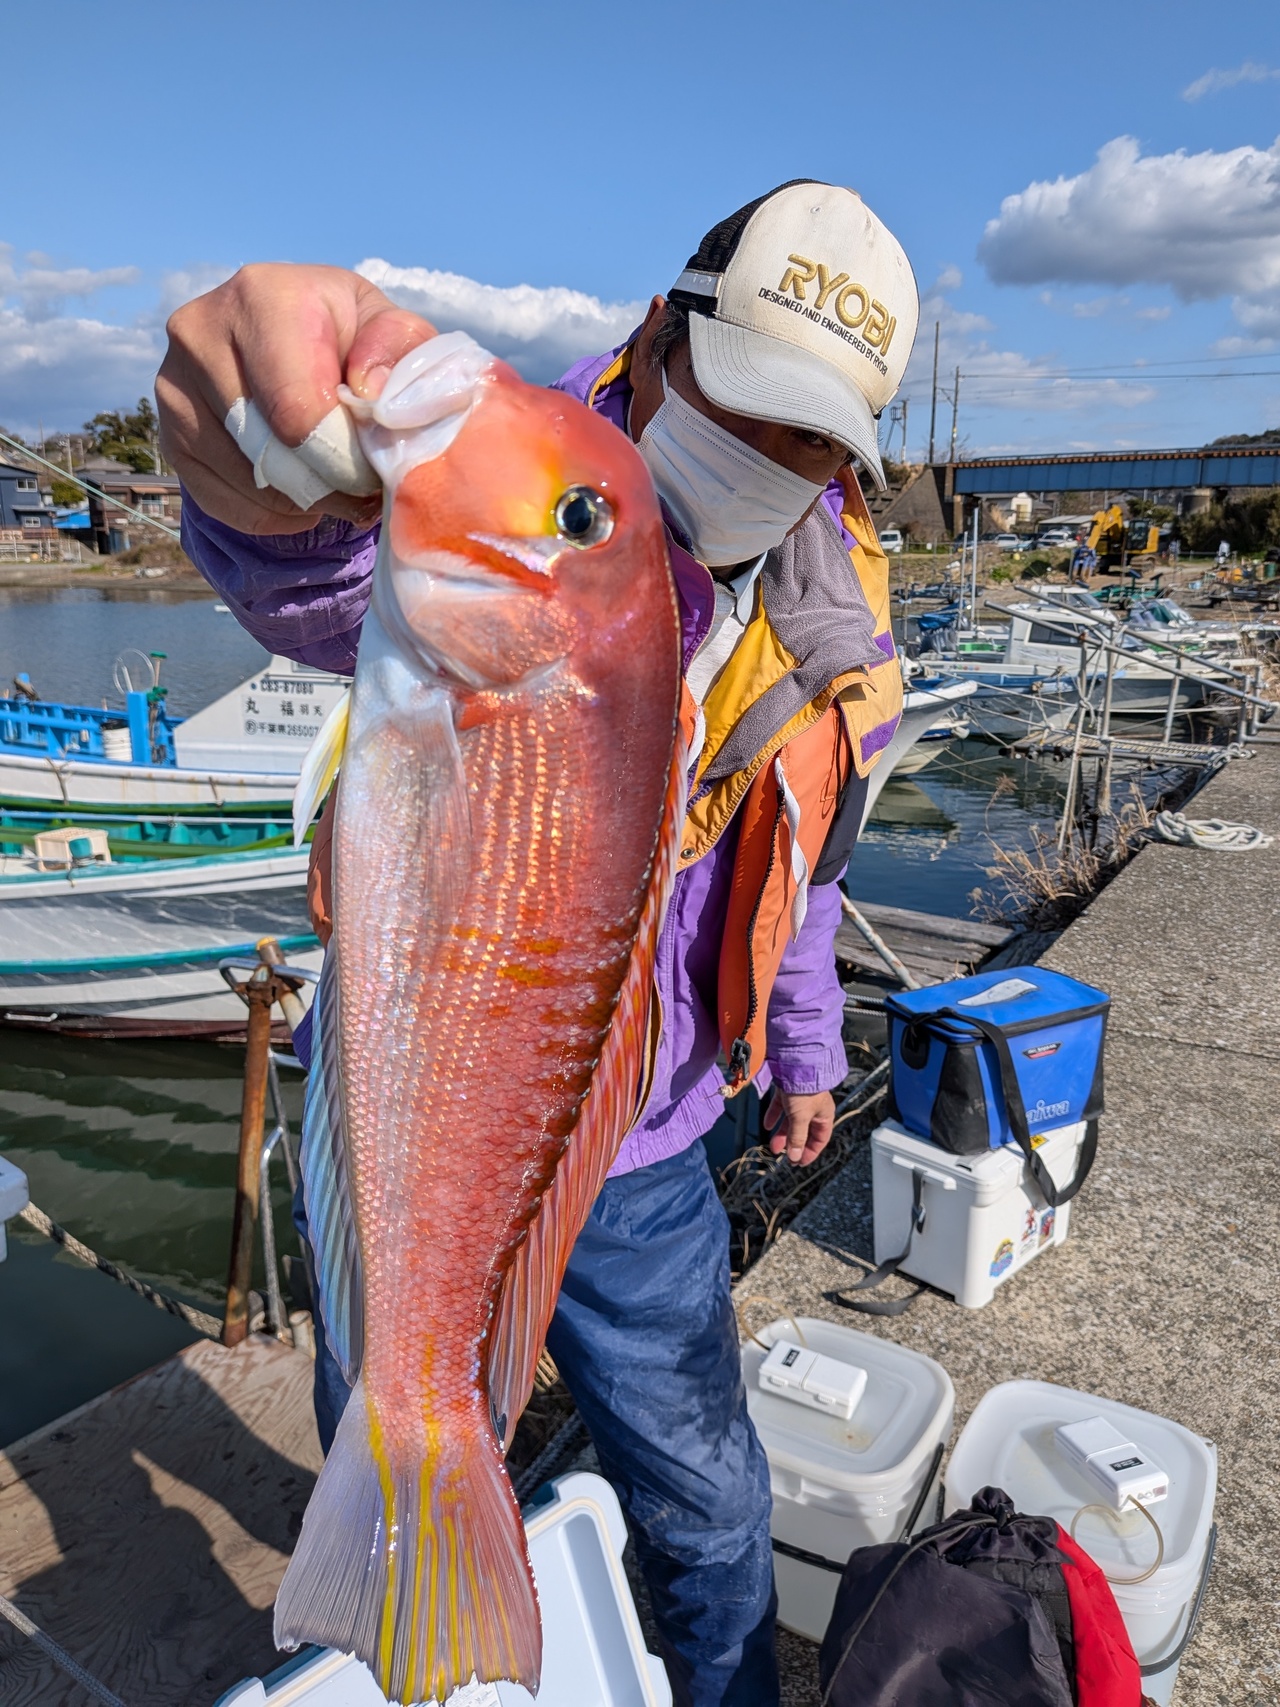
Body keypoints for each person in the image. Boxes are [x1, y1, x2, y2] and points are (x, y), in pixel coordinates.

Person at [158, 179, 917, 1707]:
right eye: (746, 397)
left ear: (849, 459)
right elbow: (331, 584)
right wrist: (250, 480)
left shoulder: (844, 632)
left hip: (653, 1147)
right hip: (412, 1133)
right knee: (385, 1442)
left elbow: (811, 874)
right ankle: (381, 1647)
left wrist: (806, 1054)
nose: (768, 456)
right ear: (660, 337)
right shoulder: (523, 477)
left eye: (812, 437)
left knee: (710, 1502)